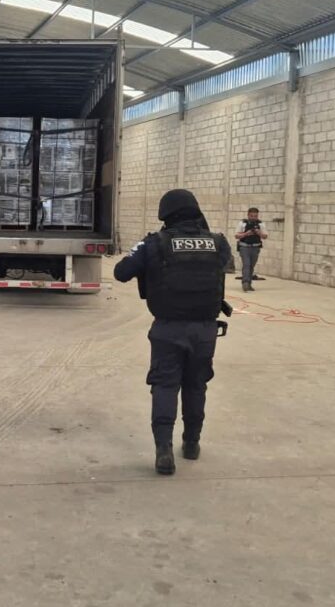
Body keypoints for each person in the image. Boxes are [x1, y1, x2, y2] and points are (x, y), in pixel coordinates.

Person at [114, 189, 232, 476]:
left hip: (168, 328)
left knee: (165, 385)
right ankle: (191, 443)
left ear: (165, 213)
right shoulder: (218, 242)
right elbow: (225, 266)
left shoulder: (154, 242)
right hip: (205, 329)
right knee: (196, 385)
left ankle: (164, 450)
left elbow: (121, 272)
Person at [233, 207, 268, 292]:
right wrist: (246, 234)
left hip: (255, 247)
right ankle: (245, 283)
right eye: (252, 216)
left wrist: (259, 233)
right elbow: (236, 236)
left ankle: (249, 283)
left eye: (255, 216)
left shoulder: (261, 224)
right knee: (246, 264)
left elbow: (265, 236)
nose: (253, 218)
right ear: (248, 215)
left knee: (251, 266)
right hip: (244, 247)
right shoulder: (242, 223)